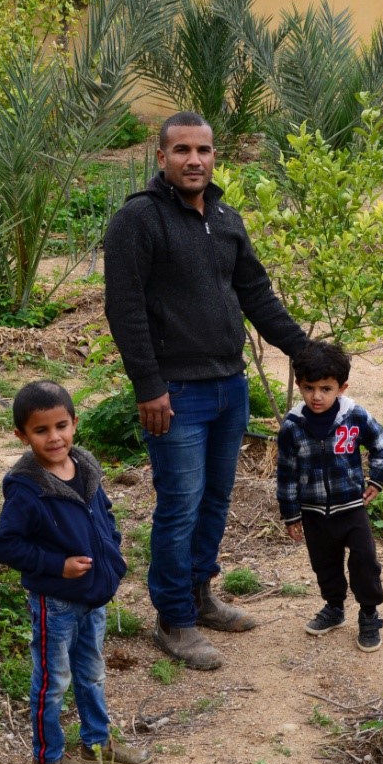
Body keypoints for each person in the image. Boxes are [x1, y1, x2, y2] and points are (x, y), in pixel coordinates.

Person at [104, 111, 309, 671]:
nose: (194, 160)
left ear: (215, 156)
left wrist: (304, 350)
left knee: (216, 501)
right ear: (161, 157)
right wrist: (149, 386)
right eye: (182, 151)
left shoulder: (224, 218)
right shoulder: (139, 221)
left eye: (204, 150)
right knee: (180, 505)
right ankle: (173, 619)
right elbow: (124, 310)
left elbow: (257, 294)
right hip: (175, 394)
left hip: (229, 387)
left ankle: (200, 595)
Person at [0, 380, 152, 764]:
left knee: (92, 672)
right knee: (53, 681)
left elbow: (105, 513)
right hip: (56, 603)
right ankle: (46, 758)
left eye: (61, 425)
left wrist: (112, 551)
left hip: (93, 597)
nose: (54, 437)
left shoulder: (86, 466)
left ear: (75, 423)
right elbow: (6, 545)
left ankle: (96, 743)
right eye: (41, 430)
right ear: (22, 435)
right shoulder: (27, 490)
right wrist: (55, 566)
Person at [276, 341, 383, 652]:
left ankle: (369, 614)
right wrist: (291, 514)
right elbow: (286, 474)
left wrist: (378, 480)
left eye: (326, 388)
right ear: (299, 384)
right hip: (313, 512)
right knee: (324, 564)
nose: (317, 396)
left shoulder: (354, 416)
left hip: (351, 507)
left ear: (341, 387)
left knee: (365, 562)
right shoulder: (292, 426)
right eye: (309, 387)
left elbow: (382, 444)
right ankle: (334, 608)